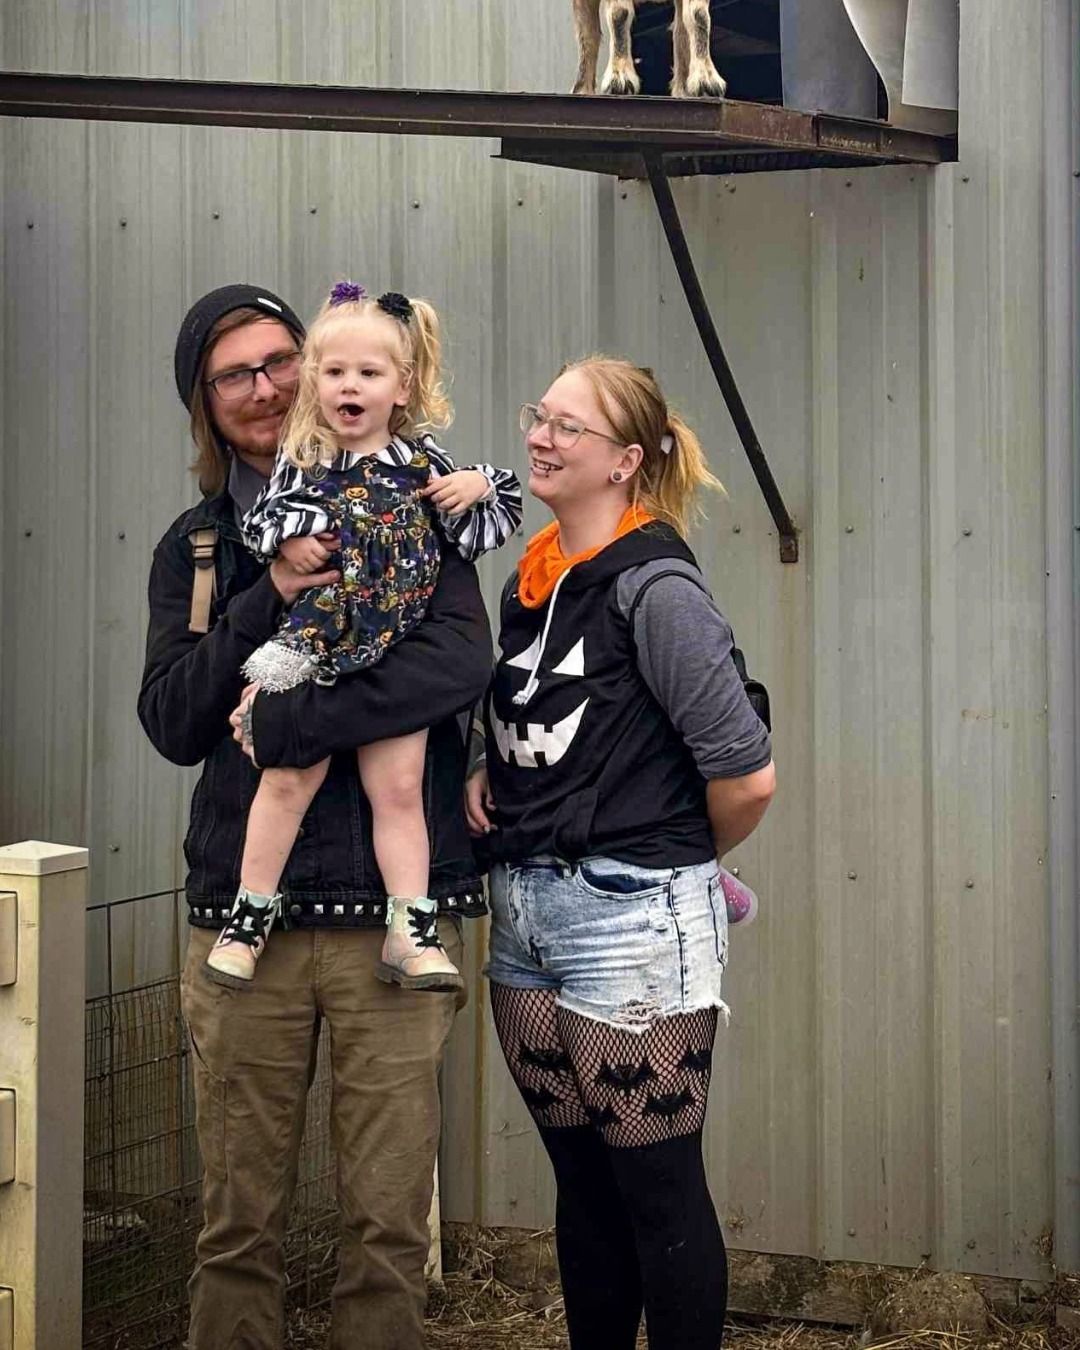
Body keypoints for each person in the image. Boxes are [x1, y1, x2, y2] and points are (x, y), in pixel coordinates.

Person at [138, 283, 492, 1350]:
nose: (265, 387)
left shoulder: (413, 503)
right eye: (232, 374)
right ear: (206, 402)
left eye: (277, 360)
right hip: (245, 922)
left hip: (391, 924)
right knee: (236, 1221)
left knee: (386, 1227)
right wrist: (271, 594)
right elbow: (173, 717)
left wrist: (296, 720)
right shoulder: (200, 547)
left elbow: (456, 662)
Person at [465, 356, 776, 1350]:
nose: (539, 439)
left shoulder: (657, 587)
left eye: (568, 428)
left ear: (626, 461)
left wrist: (666, 864)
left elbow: (747, 774)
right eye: (537, 416)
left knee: (656, 1188)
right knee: (585, 1183)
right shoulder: (532, 574)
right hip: (522, 914)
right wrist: (488, 769)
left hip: (631, 916)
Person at [204, 281, 521, 994]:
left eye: (369, 374)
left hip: (395, 649)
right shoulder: (305, 464)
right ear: (314, 382)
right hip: (316, 644)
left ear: (402, 388)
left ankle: (409, 929)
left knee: (400, 789)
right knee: (286, 775)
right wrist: (296, 544)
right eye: (335, 372)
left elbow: (490, 519)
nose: (351, 386)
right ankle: (248, 916)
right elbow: (261, 526)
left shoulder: (425, 466)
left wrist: (479, 485)